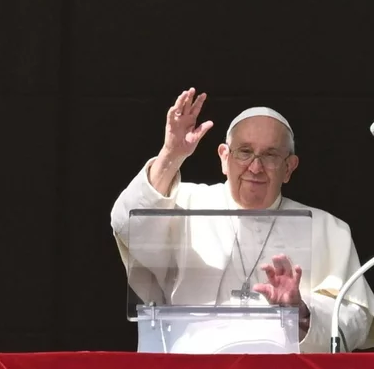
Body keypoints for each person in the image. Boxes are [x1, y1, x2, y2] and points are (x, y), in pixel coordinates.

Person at [111, 88, 374, 353]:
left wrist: (302, 312)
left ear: (289, 167)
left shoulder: (328, 229)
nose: (255, 167)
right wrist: (170, 154)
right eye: (245, 152)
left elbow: (355, 318)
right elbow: (128, 226)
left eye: (270, 155)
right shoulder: (183, 203)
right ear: (225, 157)